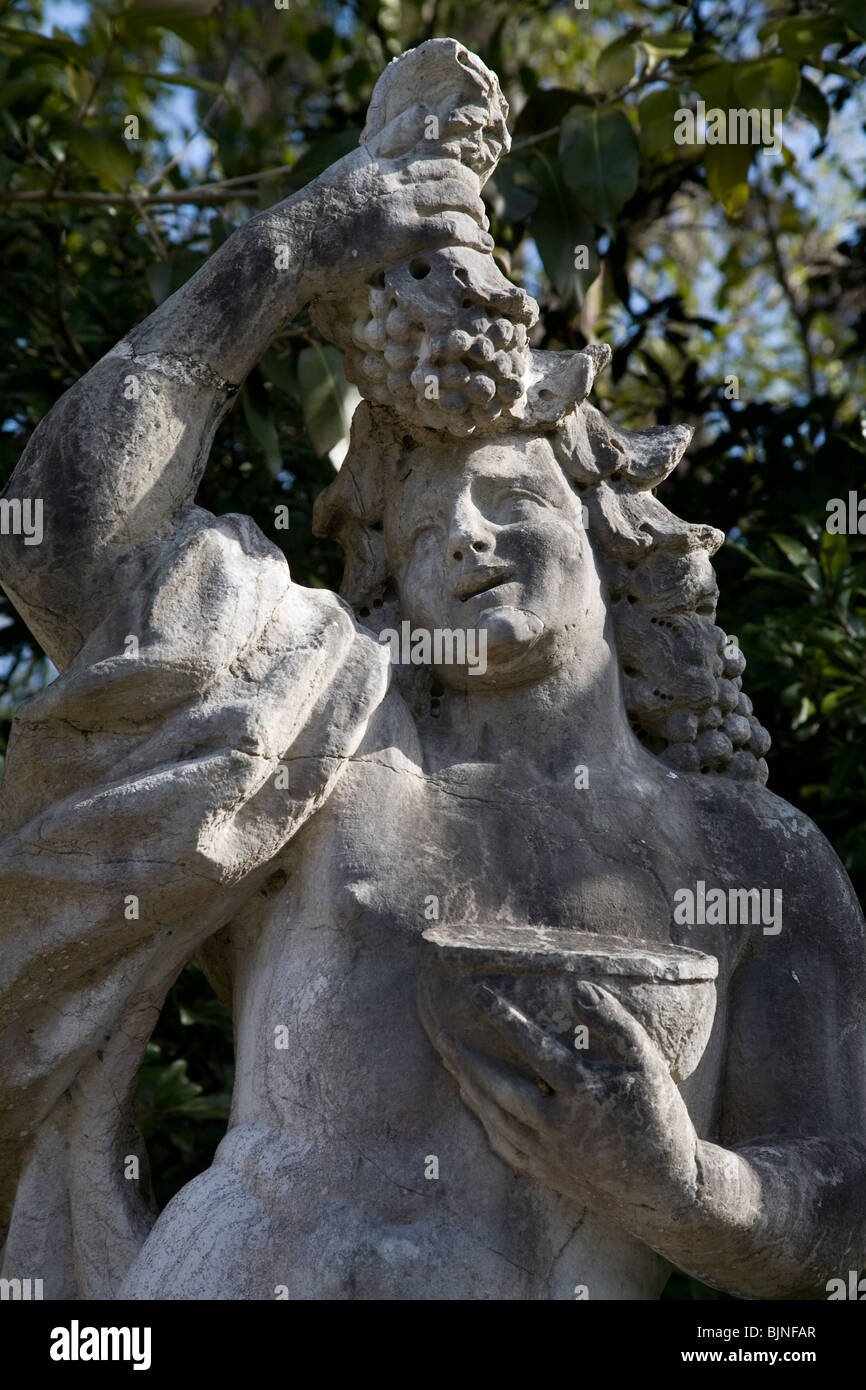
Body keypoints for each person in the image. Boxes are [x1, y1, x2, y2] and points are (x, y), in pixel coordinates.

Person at [0, 41, 863, 1301]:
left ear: (603, 528)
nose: (461, 535)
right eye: (420, 525)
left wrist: (682, 1187)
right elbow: (65, 542)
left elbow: (843, 1222)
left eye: (506, 494)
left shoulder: (753, 861)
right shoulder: (316, 730)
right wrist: (294, 250)